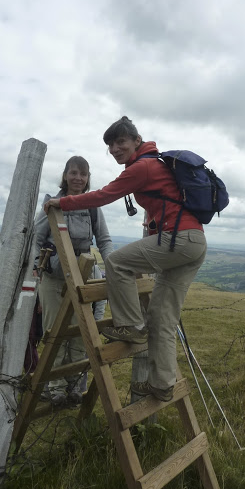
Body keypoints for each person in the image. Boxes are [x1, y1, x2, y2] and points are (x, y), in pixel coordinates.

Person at [44, 116, 207, 402]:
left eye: (120, 142)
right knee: (162, 318)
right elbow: (170, 202)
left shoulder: (142, 166)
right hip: (194, 243)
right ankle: (162, 384)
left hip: (179, 240)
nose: (115, 148)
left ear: (135, 140)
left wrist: (63, 202)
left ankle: (131, 325)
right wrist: (155, 226)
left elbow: (104, 195)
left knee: (117, 262)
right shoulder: (154, 163)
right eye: (110, 145)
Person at [35, 156, 113, 406]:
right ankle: (55, 387)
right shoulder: (51, 204)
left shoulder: (92, 206)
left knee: (82, 332)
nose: (78, 178)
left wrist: (111, 269)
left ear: (88, 178)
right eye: (74, 173)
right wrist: (35, 267)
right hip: (55, 275)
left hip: (85, 273)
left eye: (83, 174)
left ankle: (73, 386)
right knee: (55, 332)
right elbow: (36, 238)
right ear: (65, 175)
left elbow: (104, 240)